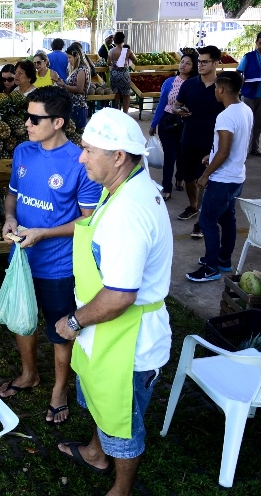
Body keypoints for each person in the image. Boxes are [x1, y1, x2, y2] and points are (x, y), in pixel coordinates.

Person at [56, 108, 172, 496]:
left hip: (128, 343)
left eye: (89, 150)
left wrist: (74, 321)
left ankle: (120, 490)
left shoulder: (128, 212)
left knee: (123, 425)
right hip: (107, 332)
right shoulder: (124, 186)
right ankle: (95, 452)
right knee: (102, 401)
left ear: (118, 156)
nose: (81, 158)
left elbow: (120, 295)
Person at [0, 87, 101, 426]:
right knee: (23, 317)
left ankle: (59, 390)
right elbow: (12, 195)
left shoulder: (79, 162)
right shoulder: (23, 151)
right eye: (26, 117)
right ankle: (29, 374)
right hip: (21, 259)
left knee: (60, 330)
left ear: (58, 122)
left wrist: (43, 233)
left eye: (34, 118)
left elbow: (87, 220)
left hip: (58, 266)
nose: (26, 124)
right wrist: (9, 218)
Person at [187, 72, 253, 282]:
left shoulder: (225, 116)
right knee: (227, 218)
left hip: (222, 179)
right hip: (237, 177)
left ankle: (211, 266)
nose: (215, 91)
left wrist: (205, 175)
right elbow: (232, 145)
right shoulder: (245, 109)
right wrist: (212, 155)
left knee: (207, 220)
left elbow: (224, 151)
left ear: (222, 89)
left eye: (216, 88)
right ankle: (224, 260)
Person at [173, 46, 225, 239]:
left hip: (211, 142)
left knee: (205, 180)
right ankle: (193, 206)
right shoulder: (189, 85)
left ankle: (201, 221)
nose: (200, 65)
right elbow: (175, 106)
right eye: (199, 61)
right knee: (188, 178)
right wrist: (179, 111)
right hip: (188, 138)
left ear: (216, 63)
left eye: (205, 62)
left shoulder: (222, 87)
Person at [148, 53, 199, 199]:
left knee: (182, 154)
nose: (183, 65)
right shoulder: (169, 82)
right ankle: (167, 187)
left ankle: (180, 178)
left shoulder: (195, 84)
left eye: (188, 63)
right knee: (170, 155)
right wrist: (154, 124)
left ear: (193, 67)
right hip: (168, 122)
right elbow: (161, 103)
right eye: (182, 62)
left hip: (186, 123)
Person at [64, 42, 94, 129]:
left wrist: (64, 85)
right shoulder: (75, 69)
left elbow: (79, 89)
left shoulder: (81, 70)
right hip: (73, 106)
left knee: (77, 132)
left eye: (70, 57)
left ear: (76, 56)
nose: (68, 60)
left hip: (78, 107)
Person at [107, 32, 137, 114]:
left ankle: (116, 113)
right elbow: (135, 59)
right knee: (126, 96)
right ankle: (125, 114)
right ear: (123, 40)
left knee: (116, 95)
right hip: (124, 75)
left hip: (114, 76)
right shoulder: (127, 51)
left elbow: (108, 63)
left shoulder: (111, 51)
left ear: (114, 40)